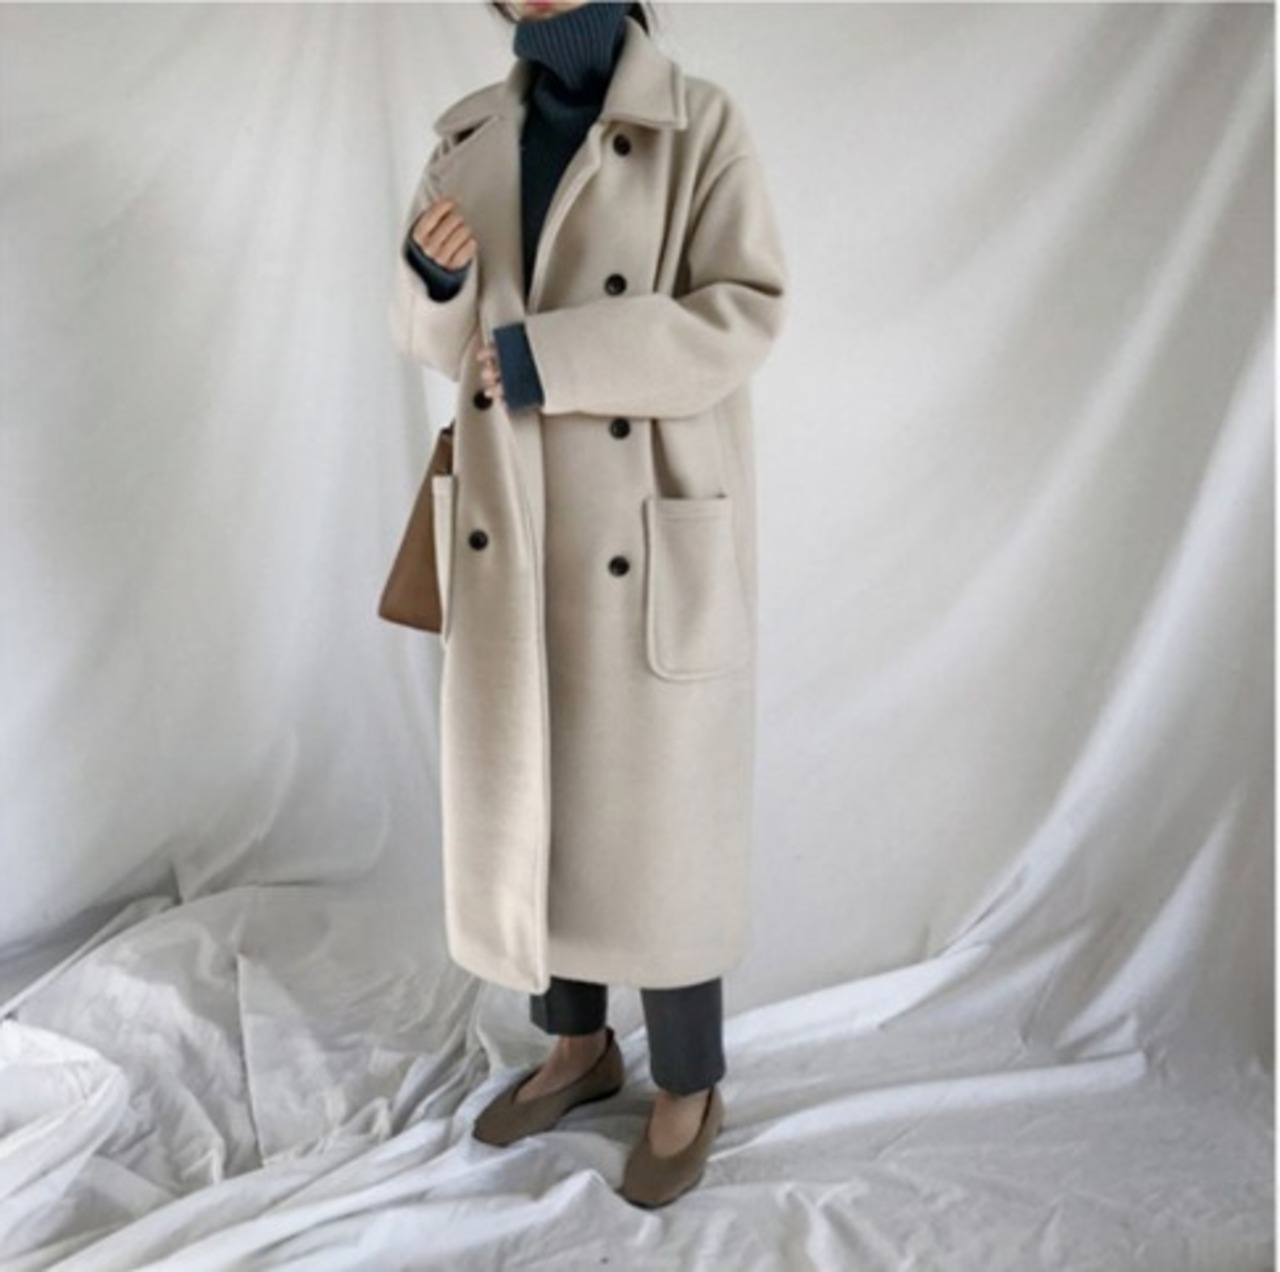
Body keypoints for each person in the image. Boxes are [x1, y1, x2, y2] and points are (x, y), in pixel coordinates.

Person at [390, 0, 787, 1207]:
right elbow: (437, 342)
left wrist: (549, 358)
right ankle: (577, 1047)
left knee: (657, 825)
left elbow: (742, 313)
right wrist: (435, 280)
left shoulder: (698, 124)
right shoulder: (466, 136)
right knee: (535, 799)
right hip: (513, 521)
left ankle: (689, 1083)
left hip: (643, 525)